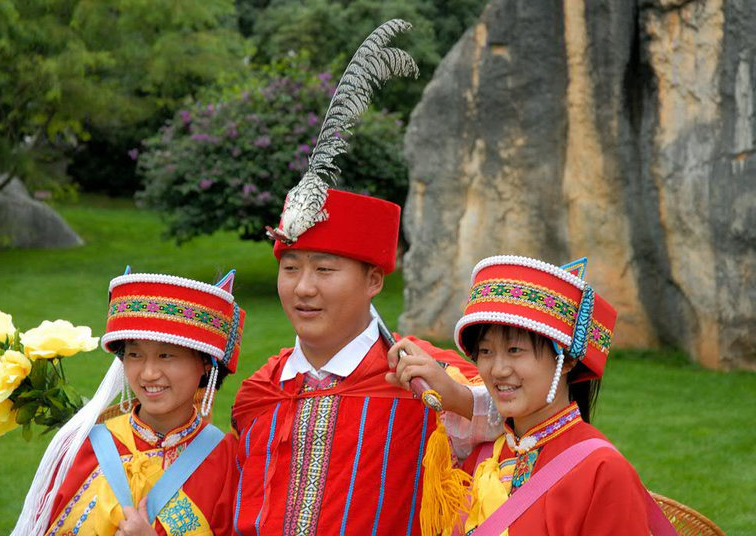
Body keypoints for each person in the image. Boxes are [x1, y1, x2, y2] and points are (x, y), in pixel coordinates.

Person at [230, 19, 492, 535]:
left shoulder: (424, 381)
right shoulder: (258, 394)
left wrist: (455, 396)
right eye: (290, 268)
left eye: (325, 270)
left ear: (374, 280)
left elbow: (529, 420)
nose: (303, 288)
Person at [390, 255, 669, 535]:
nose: (497, 370)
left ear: (568, 360)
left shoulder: (601, 470)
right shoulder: (486, 454)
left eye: (515, 350)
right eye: (486, 351)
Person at [11, 269, 245, 536]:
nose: (148, 373)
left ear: (205, 363)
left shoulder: (228, 461)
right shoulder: (82, 449)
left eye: (166, 355)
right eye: (135, 354)